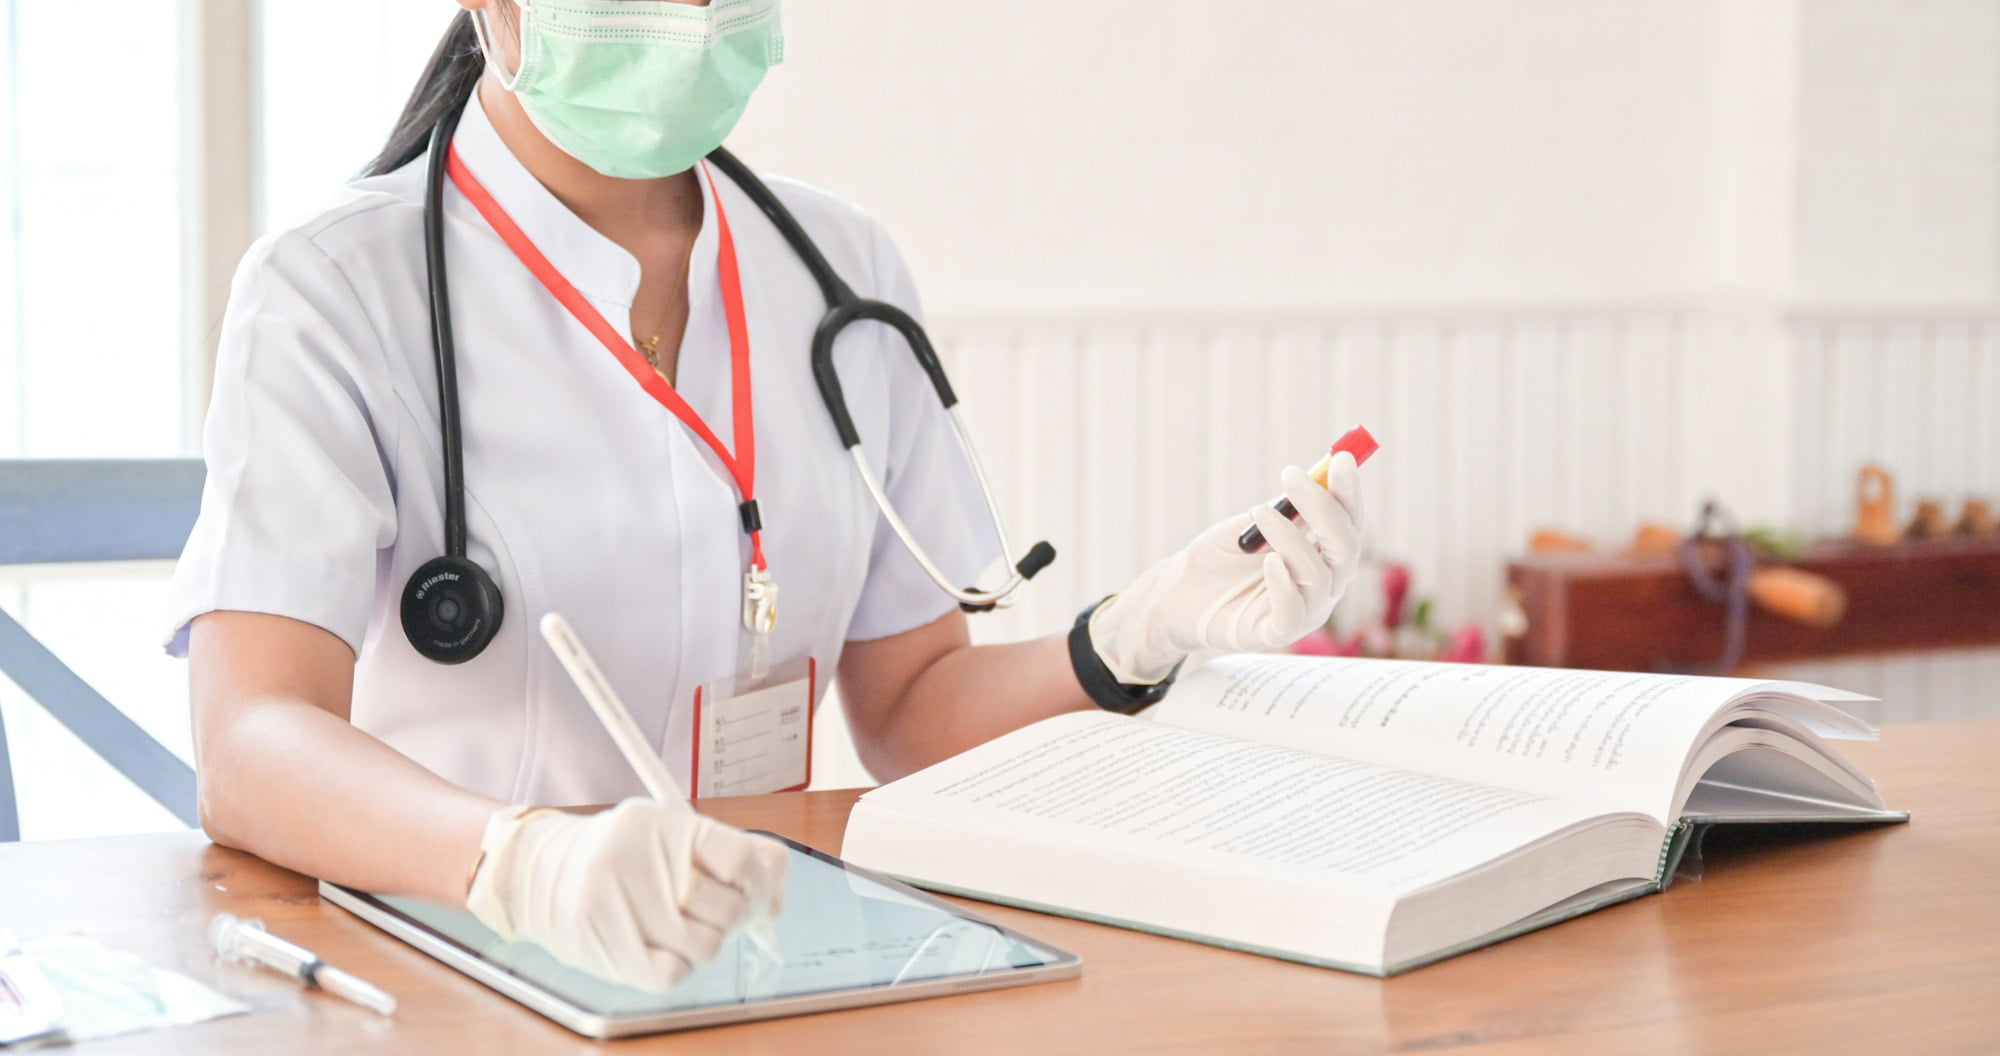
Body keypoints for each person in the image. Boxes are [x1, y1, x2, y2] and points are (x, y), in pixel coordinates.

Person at [171, 0, 1363, 992]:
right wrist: (522, 863)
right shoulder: (330, 290)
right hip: (446, 964)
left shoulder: (839, 269)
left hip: (769, 964)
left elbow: (910, 709)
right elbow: (254, 742)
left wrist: (1136, 632)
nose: (687, 24)